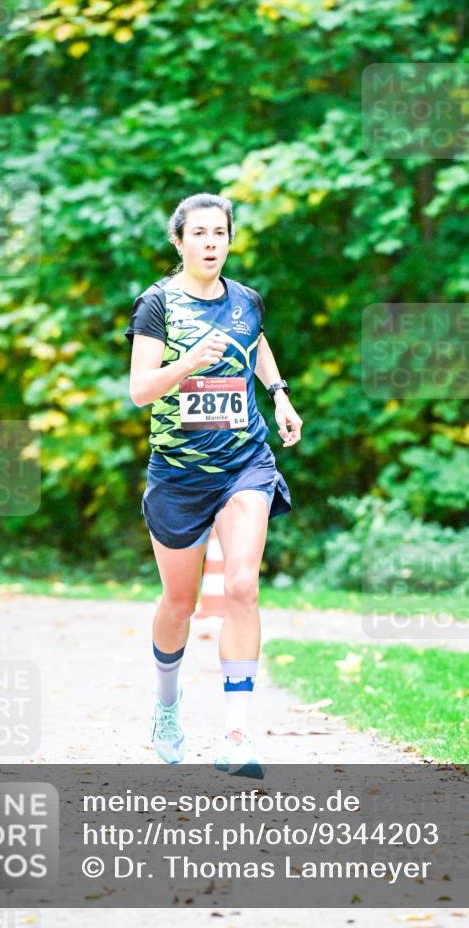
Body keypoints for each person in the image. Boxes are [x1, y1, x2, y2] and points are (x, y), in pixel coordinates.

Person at [124, 192, 302, 778]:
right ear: (179, 242)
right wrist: (189, 363)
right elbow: (141, 390)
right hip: (178, 475)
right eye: (197, 233)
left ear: (229, 239)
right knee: (181, 602)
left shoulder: (246, 300)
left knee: (243, 588)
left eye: (219, 233)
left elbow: (258, 345)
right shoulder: (157, 304)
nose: (209, 243)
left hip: (243, 461)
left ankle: (236, 734)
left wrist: (278, 394)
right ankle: (167, 706)